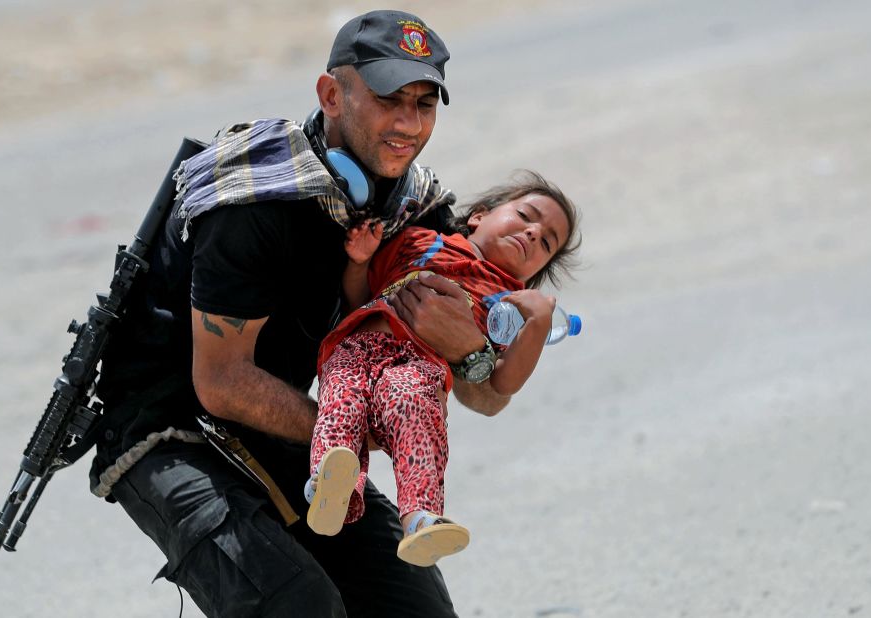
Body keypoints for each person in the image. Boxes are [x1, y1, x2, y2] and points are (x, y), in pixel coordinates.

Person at [88, 10, 508, 618]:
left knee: (415, 609)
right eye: (390, 98)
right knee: (297, 605)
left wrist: (472, 351)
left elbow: (487, 396)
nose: (408, 124)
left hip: (282, 419)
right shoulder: (253, 199)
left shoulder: (411, 209)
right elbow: (222, 382)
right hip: (166, 429)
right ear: (331, 94)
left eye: (425, 103)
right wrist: (357, 430)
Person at [305, 172, 581, 567]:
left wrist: (536, 324)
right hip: (359, 344)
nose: (535, 233)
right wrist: (359, 260)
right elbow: (359, 295)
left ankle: (421, 518)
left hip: (419, 368)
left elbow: (502, 383)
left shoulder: (507, 305)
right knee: (342, 398)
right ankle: (330, 485)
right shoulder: (419, 241)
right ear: (478, 217)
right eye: (525, 215)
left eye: (548, 242)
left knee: (418, 416)